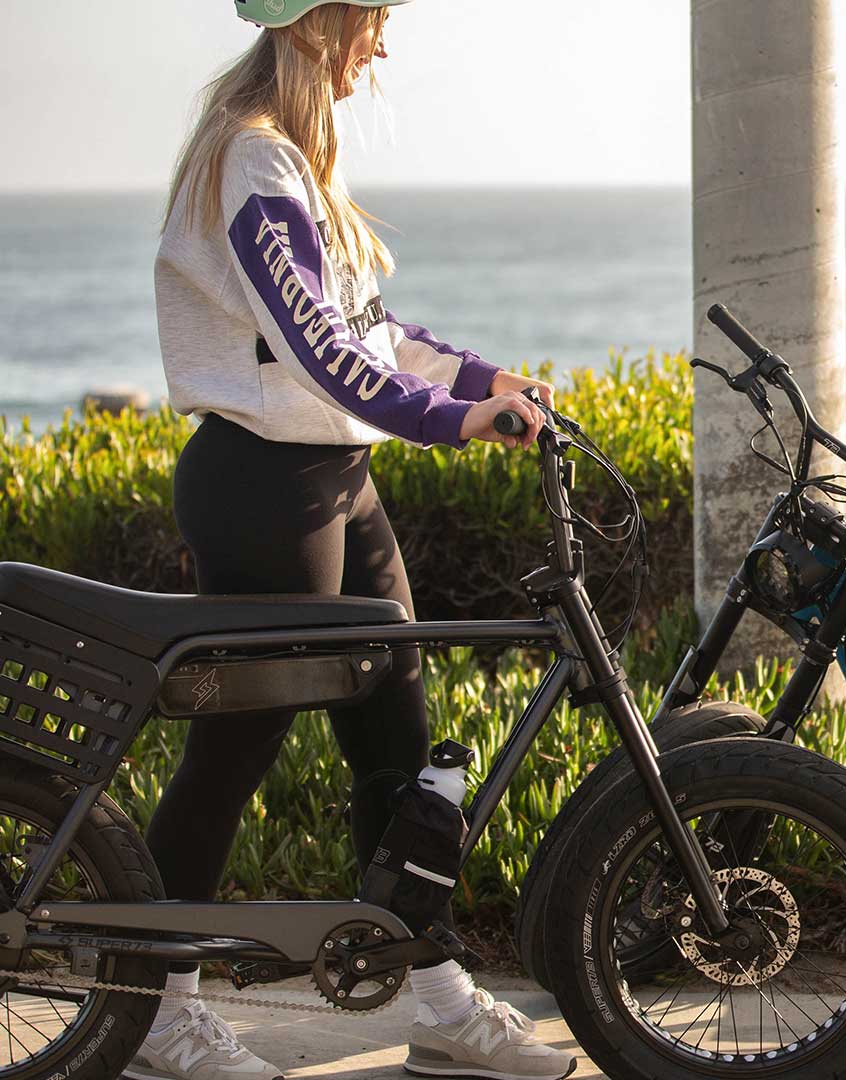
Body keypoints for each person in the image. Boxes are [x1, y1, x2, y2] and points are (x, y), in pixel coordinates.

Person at [147, 2, 572, 1078]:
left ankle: (430, 992)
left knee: (397, 737)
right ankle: (152, 1007)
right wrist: (449, 420)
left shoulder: (294, 162)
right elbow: (317, 348)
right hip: (262, 489)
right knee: (238, 747)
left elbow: (375, 331)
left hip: (340, 480)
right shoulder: (251, 159)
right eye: (370, 20)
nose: (381, 44)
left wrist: (485, 382)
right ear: (317, 26)